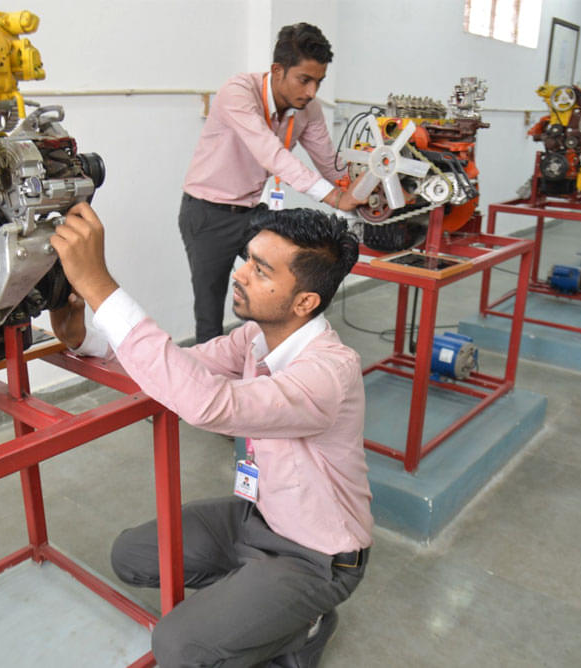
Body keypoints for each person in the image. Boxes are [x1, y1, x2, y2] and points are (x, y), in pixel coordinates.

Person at [49, 203, 373, 667]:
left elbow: (209, 403)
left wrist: (100, 285)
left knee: (179, 646)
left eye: (262, 271)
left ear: (305, 302)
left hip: (316, 558)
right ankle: (259, 604)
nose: (240, 274)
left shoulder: (329, 372)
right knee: (132, 556)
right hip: (257, 518)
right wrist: (86, 338)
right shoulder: (256, 338)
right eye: (248, 259)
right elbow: (181, 371)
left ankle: (303, 623)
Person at [180, 22, 366, 343]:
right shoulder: (238, 92)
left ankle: (281, 362)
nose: (311, 92)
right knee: (209, 315)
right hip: (208, 215)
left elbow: (330, 163)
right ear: (277, 70)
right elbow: (272, 154)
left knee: (297, 277)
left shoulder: (309, 110)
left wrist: (364, 186)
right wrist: (334, 198)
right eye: (304, 80)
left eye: (318, 83)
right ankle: (211, 385)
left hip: (252, 212)